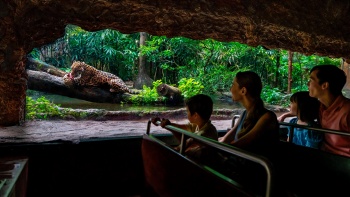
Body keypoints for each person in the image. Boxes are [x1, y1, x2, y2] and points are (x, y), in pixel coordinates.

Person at [219, 71, 279, 157]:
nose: (230, 89)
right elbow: (226, 139)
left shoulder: (267, 117)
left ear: (243, 91)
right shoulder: (245, 113)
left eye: (233, 85)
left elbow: (241, 144)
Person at [151, 94, 218, 158]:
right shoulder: (201, 125)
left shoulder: (203, 135)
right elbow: (180, 128)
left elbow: (181, 149)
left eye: (187, 111)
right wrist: (167, 124)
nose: (187, 114)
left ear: (195, 115)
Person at [308, 64, 350, 157]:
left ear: (324, 85)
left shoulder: (347, 111)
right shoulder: (321, 107)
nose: (308, 84)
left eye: (311, 80)